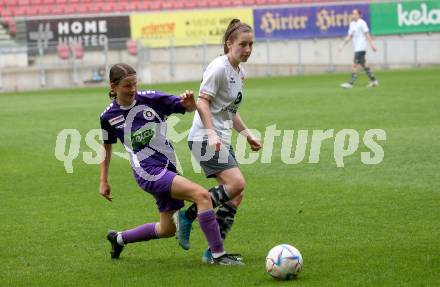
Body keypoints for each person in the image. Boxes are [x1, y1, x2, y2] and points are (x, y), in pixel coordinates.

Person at [99, 63, 243, 265]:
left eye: (134, 84)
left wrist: (189, 102)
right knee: (201, 196)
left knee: (167, 229)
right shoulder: (108, 117)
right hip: (147, 172)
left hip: (167, 167)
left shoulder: (151, 98)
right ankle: (218, 255)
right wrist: (103, 180)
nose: (132, 89)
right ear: (113, 87)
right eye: (127, 86)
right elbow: (106, 147)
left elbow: (188, 106)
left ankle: (119, 238)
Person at [173, 19, 262, 264]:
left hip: (220, 137)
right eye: (243, 44)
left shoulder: (239, 73)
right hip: (205, 137)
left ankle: (214, 252)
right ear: (229, 44)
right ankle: (188, 216)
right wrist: (211, 133)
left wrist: (248, 135)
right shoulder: (218, 68)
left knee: (235, 195)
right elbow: (202, 102)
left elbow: (229, 111)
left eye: (251, 44)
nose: (248, 49)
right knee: (236, 183)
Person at [339, 9, 379, 89]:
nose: (353, 15)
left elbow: (367, 34)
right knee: (364, 65)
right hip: (356, 47)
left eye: (355, 14)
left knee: (354, 65)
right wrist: (342, 44)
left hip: (361, 47)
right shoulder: (352, 24)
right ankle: (374, 81)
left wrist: (372, 45)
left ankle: (350, 83)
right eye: (353, 14)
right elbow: (349, 36)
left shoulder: (362, 23)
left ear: (359, 15)